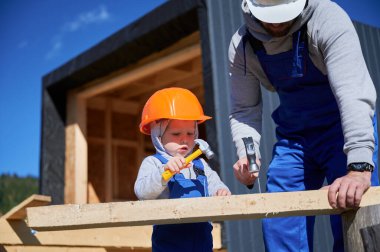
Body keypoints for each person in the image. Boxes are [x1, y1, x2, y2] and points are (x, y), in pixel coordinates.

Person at [228, 0, 379, 251]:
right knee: (279, 213)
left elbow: (353, 92)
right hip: (294, 139)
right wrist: (249, 157)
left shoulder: (327, 18)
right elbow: (244, 110)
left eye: (283, 14)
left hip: (342, 131)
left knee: (353, 210)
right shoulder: (243, 44)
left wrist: (359, 167)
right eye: (269, 16)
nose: (276, 23)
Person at [135, 87, 231, 252]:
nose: (184, 140)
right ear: (157, 135)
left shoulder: (200, 165)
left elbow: (216, 186)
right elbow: (142, 192)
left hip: (202, 241)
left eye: (190, 133)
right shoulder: (154, 163)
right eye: (176, 133)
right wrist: (164, 174)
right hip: (170, 243)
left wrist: (221, 191)